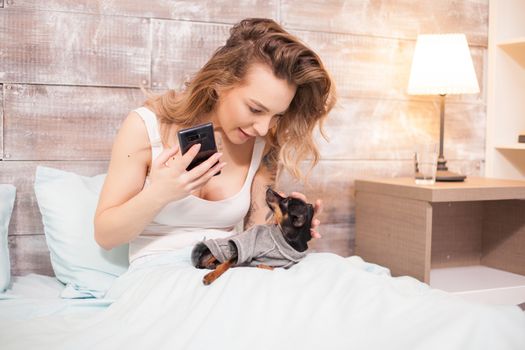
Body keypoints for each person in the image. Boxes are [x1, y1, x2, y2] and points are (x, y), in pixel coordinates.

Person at [94, 18, 336, 265]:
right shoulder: (144, 128)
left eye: (277, 115)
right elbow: (105, 236)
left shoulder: (263, 145)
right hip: (158, 273)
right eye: (255, 109)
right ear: (221, 82)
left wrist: (287, 230)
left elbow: (253, 240)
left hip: (226, 270)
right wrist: (159, 193)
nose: (264, 127)